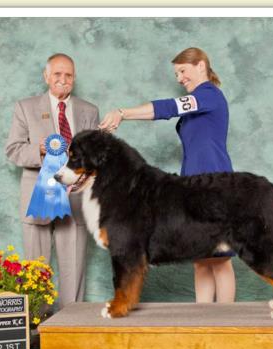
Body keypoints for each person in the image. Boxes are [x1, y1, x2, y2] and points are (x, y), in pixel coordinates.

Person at [98, 47, 236, 303]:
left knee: (220, 259)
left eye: (183, 71)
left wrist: (123, 113)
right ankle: (202, 318)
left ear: (201, 66)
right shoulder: (198, 102)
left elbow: (168, 107)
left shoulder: (210, 96)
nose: (179, 78)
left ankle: (226, 323)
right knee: (201, 260)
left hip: (214, 186)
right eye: (176, 74)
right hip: (192, 186)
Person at [5, 53, 100, 309]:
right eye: (57, 74)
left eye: (68, 75)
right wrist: (41, 151)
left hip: (76, 199)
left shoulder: (89, 111)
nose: (63, 79)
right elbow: (13, 150)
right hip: (37, 197)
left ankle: (72, 325)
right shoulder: (25, 107)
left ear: (74, 78)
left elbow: (95, 156)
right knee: (36, 270)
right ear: (46, 76)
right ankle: (36, 326)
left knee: (74, 268)